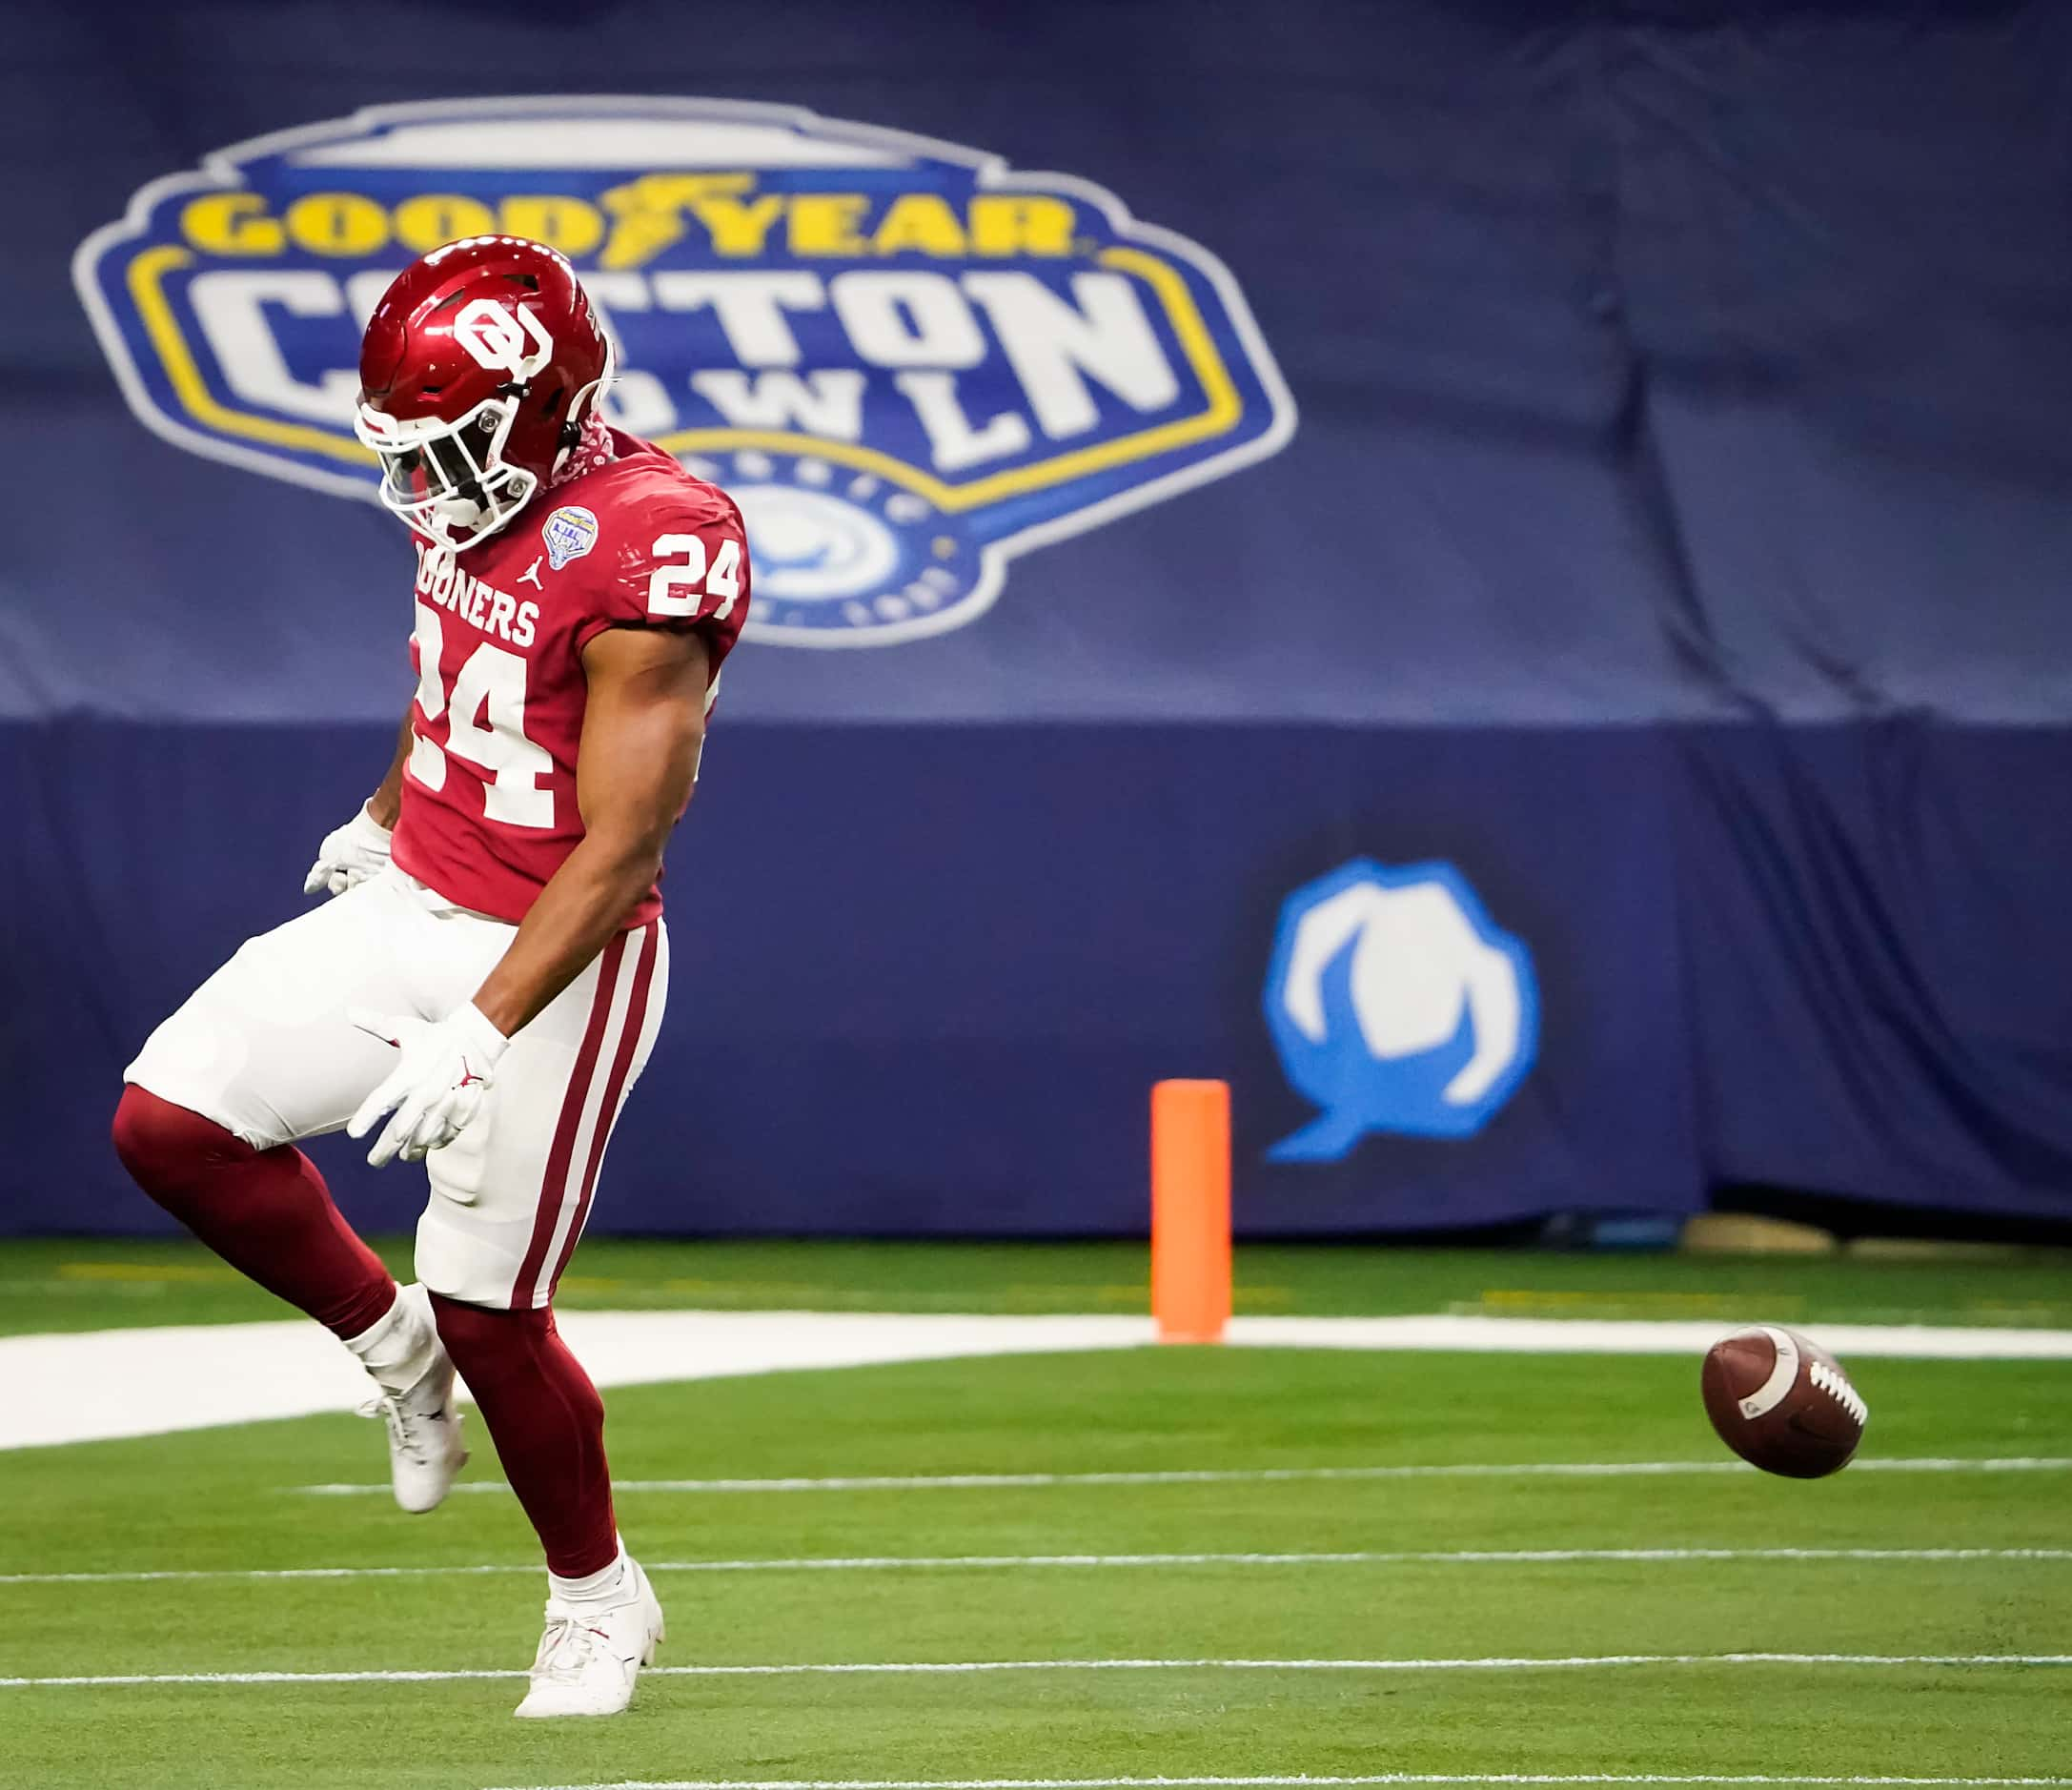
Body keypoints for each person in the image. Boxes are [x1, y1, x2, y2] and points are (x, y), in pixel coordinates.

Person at [110, 234, 750, 1719]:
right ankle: (387, 1345)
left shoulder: (658, 537)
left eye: (446, 440)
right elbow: (453, 671)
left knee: (494, 1311)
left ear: (540, 409)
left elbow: (629, 834)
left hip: (556, 951)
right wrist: (388, 809)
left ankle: (597, 1596)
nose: (420, 478)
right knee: (172, 1124)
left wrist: (479, 1026)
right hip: (416, 895)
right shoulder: (479, 486)